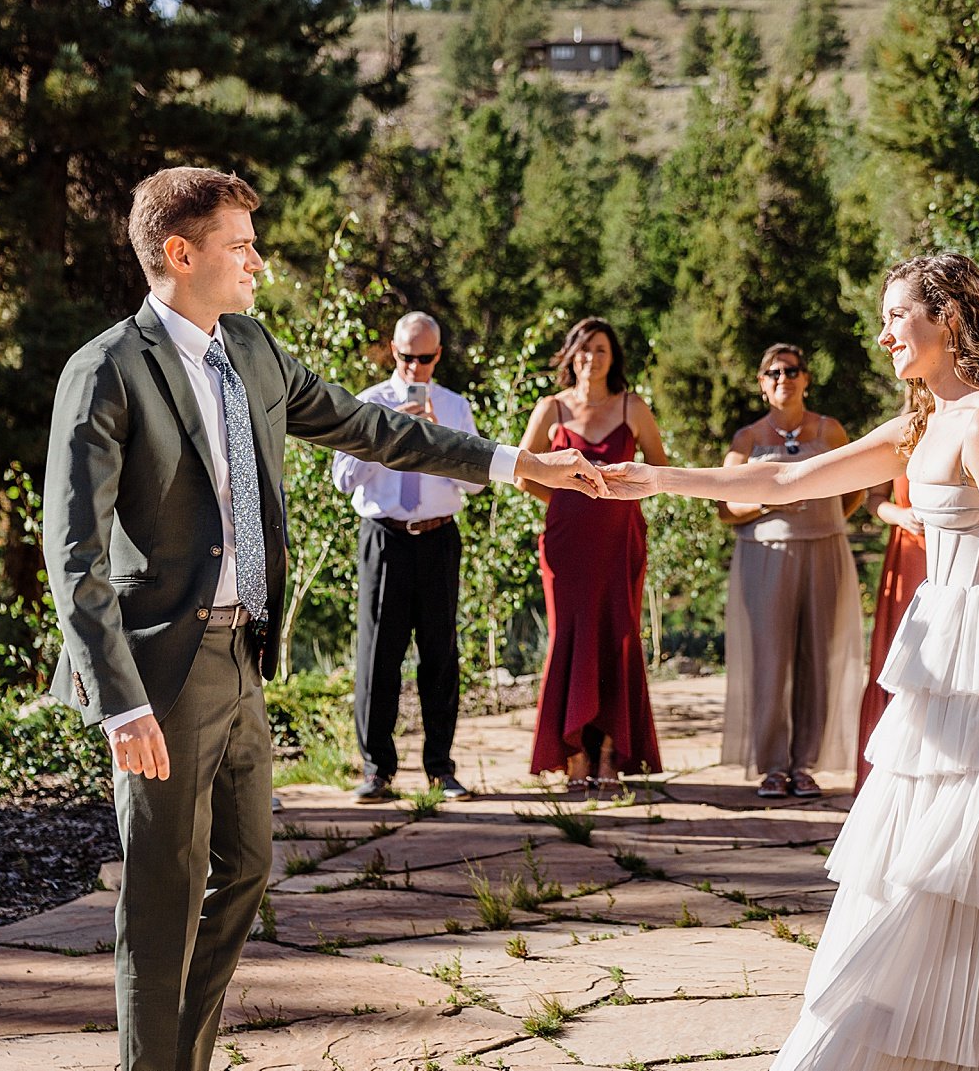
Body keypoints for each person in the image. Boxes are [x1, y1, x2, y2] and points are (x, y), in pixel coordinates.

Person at [600, 253, 979, 1070]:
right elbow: (788, 475)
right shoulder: (921, 423)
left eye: (899, 314)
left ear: (950, 319)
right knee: (918, 871)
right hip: (939, 670)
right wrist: (653, 478)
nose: (884, 330)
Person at [42, 167, 603, 1071]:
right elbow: (73, 554)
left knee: (247, 867)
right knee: (159, 893)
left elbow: (373, 428)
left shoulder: (253, 350)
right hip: (158, 673)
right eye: (241, 245)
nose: (258, 261)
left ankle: (178, 1058)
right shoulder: (106, 369)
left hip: (242, 659)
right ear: (181, 255)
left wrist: (517, 464)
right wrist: (121, 703)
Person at [331, 312, 480, 803]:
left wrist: (442, 443)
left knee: (440, 655)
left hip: (438, 538)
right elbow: (343, 479)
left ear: (438, 356)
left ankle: (441, 769)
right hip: (385, 537)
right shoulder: (369, 403)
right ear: (392, 351)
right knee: (379, 656)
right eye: (406, 356)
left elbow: (476, 482)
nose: (415, 368)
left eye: (426, 358)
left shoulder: (456, 407)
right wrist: (388, 438)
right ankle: (377, 771)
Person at [519, 317, 669, 792]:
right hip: (567, 544)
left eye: (600, 349)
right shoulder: (551, 409)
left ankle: (610, 750)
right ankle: (575, 751)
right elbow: (523, 473)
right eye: (583, 349)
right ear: (570, 355)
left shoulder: (633, 406)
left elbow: (661, 472)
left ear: (613, 357)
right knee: (569, 635)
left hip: (620, 540)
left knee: (618, 634)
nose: (591, 357)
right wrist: (566, 501)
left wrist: (613, 500)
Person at [718, 344, 865, 799]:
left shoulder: (830, 430)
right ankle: (772, 767)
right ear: (762, 384)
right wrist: (768, 502)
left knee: (819, 658)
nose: (784, 378)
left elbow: (854, 489)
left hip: (825, 549)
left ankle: (805, 765)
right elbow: (725, 507)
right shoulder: (746, 439)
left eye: (792, 370)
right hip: (765, 554)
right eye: (773, 372)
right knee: (769, 661)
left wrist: (827, 516)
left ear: (806, 378)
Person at [857, 471, 927, 795]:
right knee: (906, 657)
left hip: (965, 554)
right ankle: (893, 777)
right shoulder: (903, 436)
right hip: (911, 554)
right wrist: (900, 515)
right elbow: (874, 499)